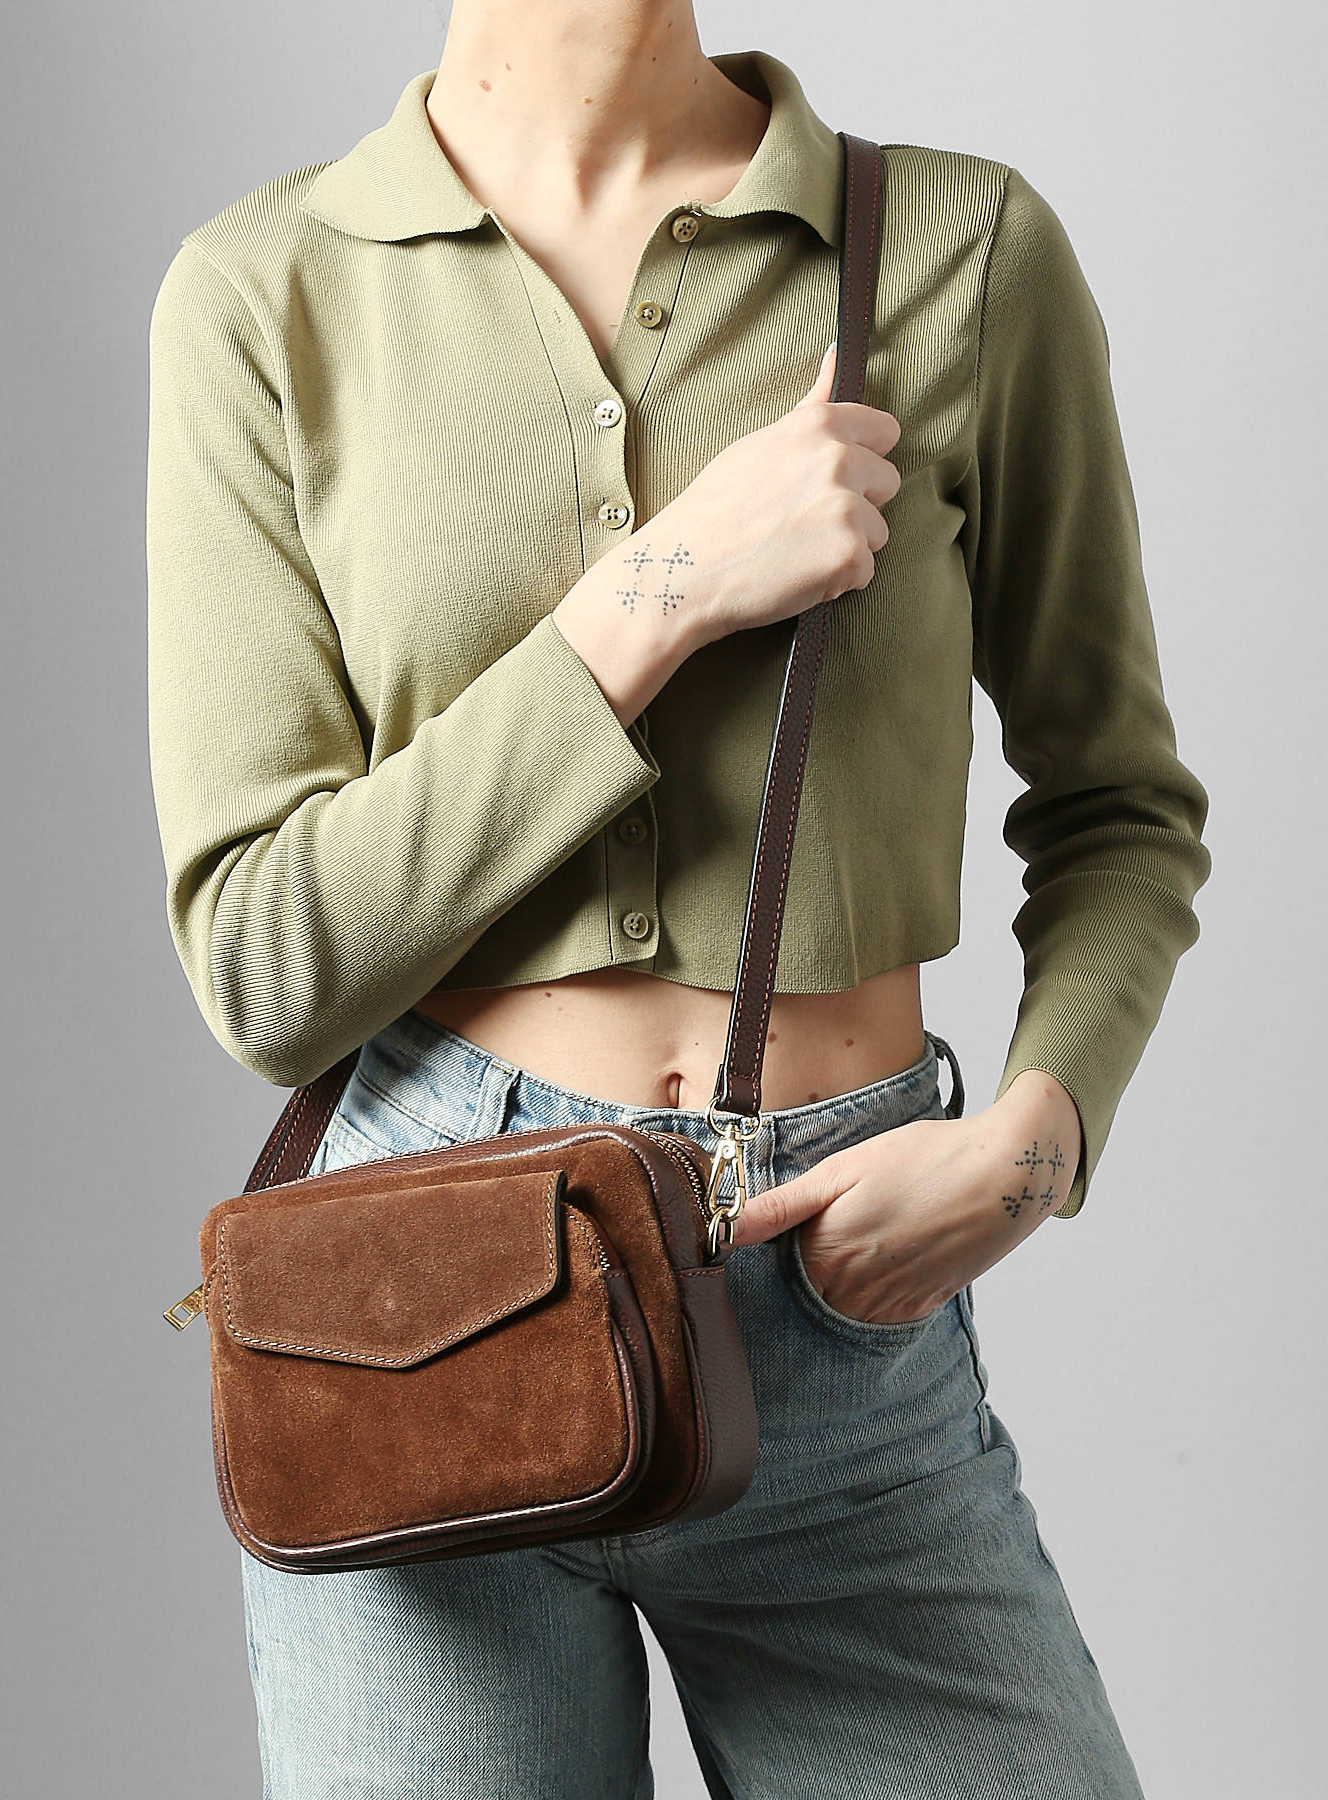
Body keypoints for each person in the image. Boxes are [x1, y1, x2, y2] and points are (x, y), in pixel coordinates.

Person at [146, 5, 1211, 1795]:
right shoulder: (265, 292)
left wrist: (1034, 1140)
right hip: (428, 1303)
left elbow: (1120, 810)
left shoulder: (957, 250)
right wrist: (658, 595)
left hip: (842, 1296)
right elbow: (264, 965)